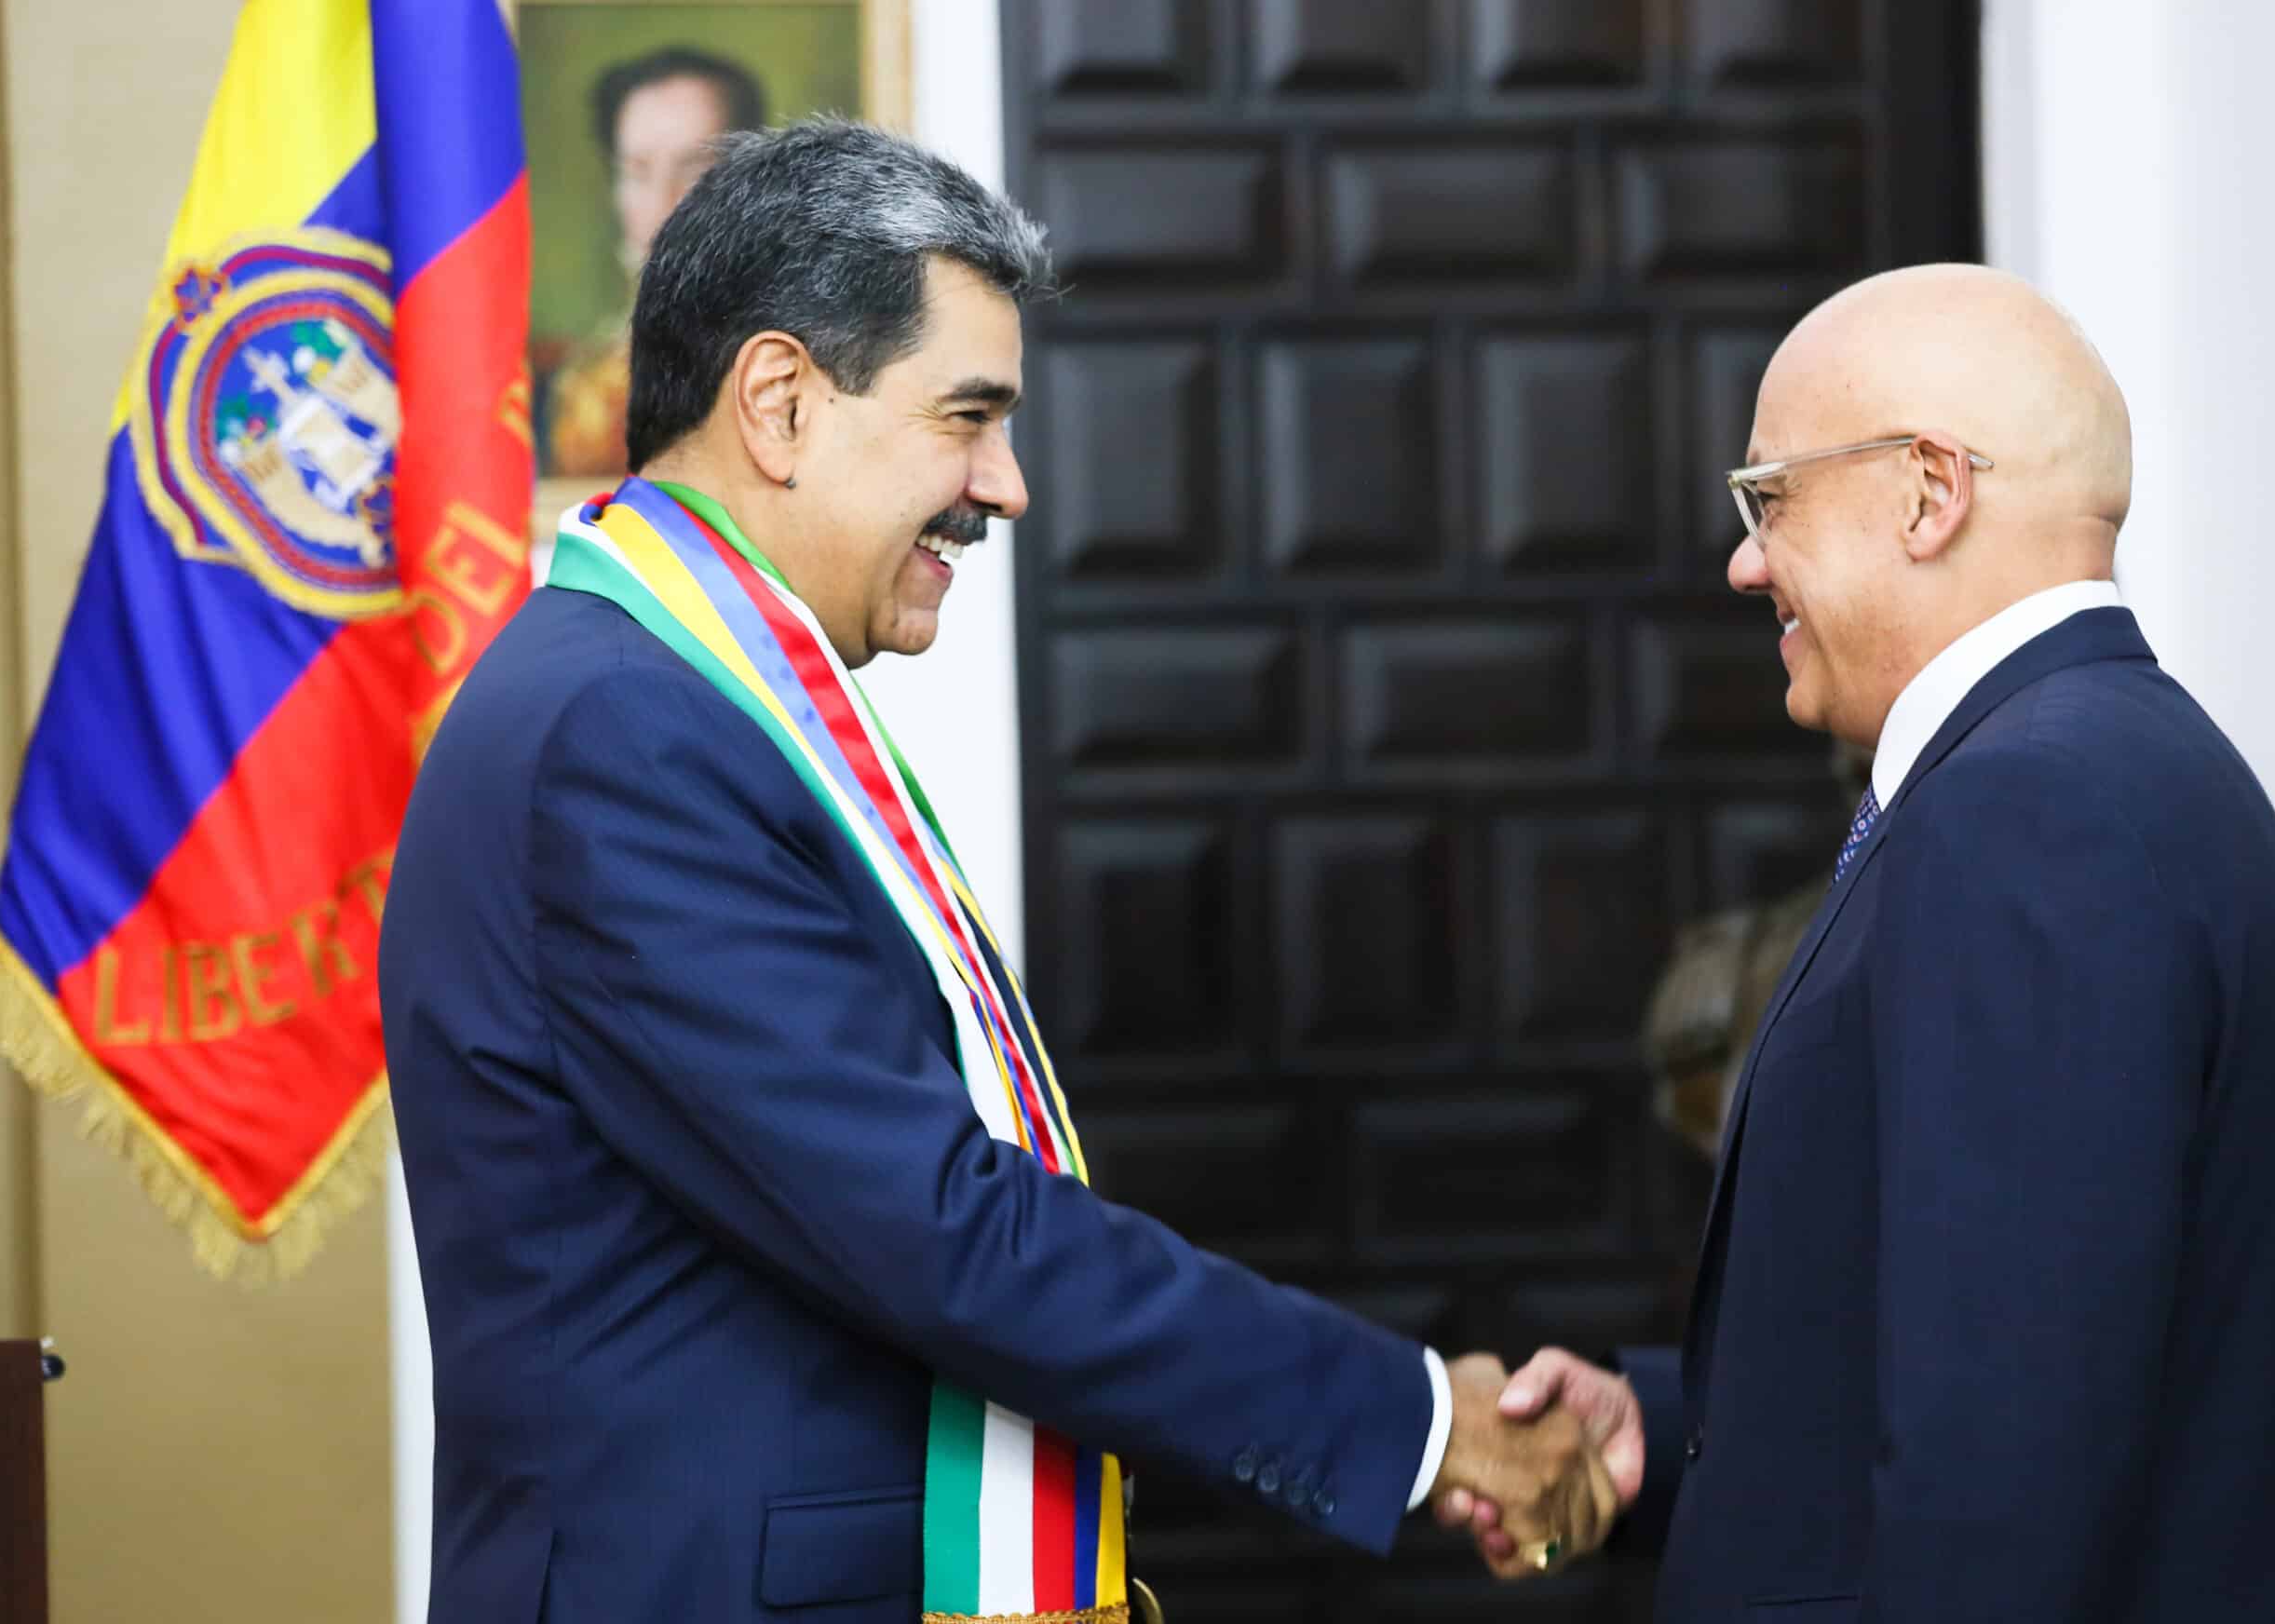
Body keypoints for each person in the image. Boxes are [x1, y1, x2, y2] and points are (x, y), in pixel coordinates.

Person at [379, 118, 1618, 1623]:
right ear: (779, 402)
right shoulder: (623, 733)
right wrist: (1424, 1424)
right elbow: (942, 1228)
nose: (1008, 485)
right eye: (967, 417)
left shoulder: (666, 701)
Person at [1443, 264, 2275, 1620]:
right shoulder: (2119, 766)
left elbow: (2005, 1473)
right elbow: (2019, 1341)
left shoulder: (2029, 811)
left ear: (1930, 491)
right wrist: (1670, 1428)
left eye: (1770, 497)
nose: (1745, 560)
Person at [539, 47, 765, 477]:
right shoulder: (573, 387)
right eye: (638, 171)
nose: (664, 203)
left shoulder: (806, 368)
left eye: (695, 169)